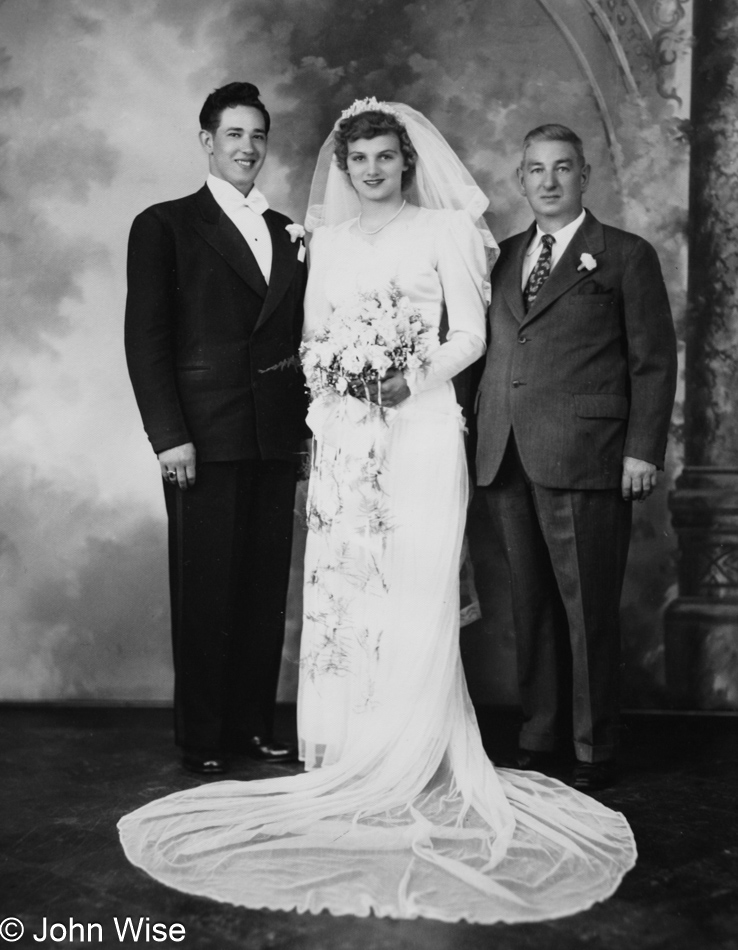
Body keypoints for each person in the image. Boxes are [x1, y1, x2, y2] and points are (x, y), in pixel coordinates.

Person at [118, 102, 636, 924]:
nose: (370, 170)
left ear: (406, 162)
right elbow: (311, 336)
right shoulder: (320, 243)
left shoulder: (446, 233)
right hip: (348, 439)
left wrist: (409, 376)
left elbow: (471, 335)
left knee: (413, 587)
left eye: (384, 157)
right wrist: (337, 380)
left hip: (422, 430)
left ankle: (418, 750)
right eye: (356, 158)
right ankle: (352, 749)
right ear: (343, 164)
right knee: (345, 595)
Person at [475, 124, 678, 791]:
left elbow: (653, 361)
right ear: (521, 179)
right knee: (528, 605)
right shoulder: (501, 258)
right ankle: (540, 734)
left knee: (587, 607)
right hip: (507, 454)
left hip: (588, 455)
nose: (550, 181)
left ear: (584, 175)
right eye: (536, 170)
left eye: (563, 168)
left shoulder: (623, 255)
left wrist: (643, 450)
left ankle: (594, 747)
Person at [124, 82, 308, 776]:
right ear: (207, 142)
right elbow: (147, 342)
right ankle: (203, 737)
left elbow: (295, 337)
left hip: (273, 437)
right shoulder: (165, 225)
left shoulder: (289, 230)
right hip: (201, 438)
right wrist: (169, 436)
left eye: (258, 136)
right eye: (234, 135)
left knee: (263, 592)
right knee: (205, 592)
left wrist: (305, 434)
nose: (248, 148)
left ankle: (251, 727)